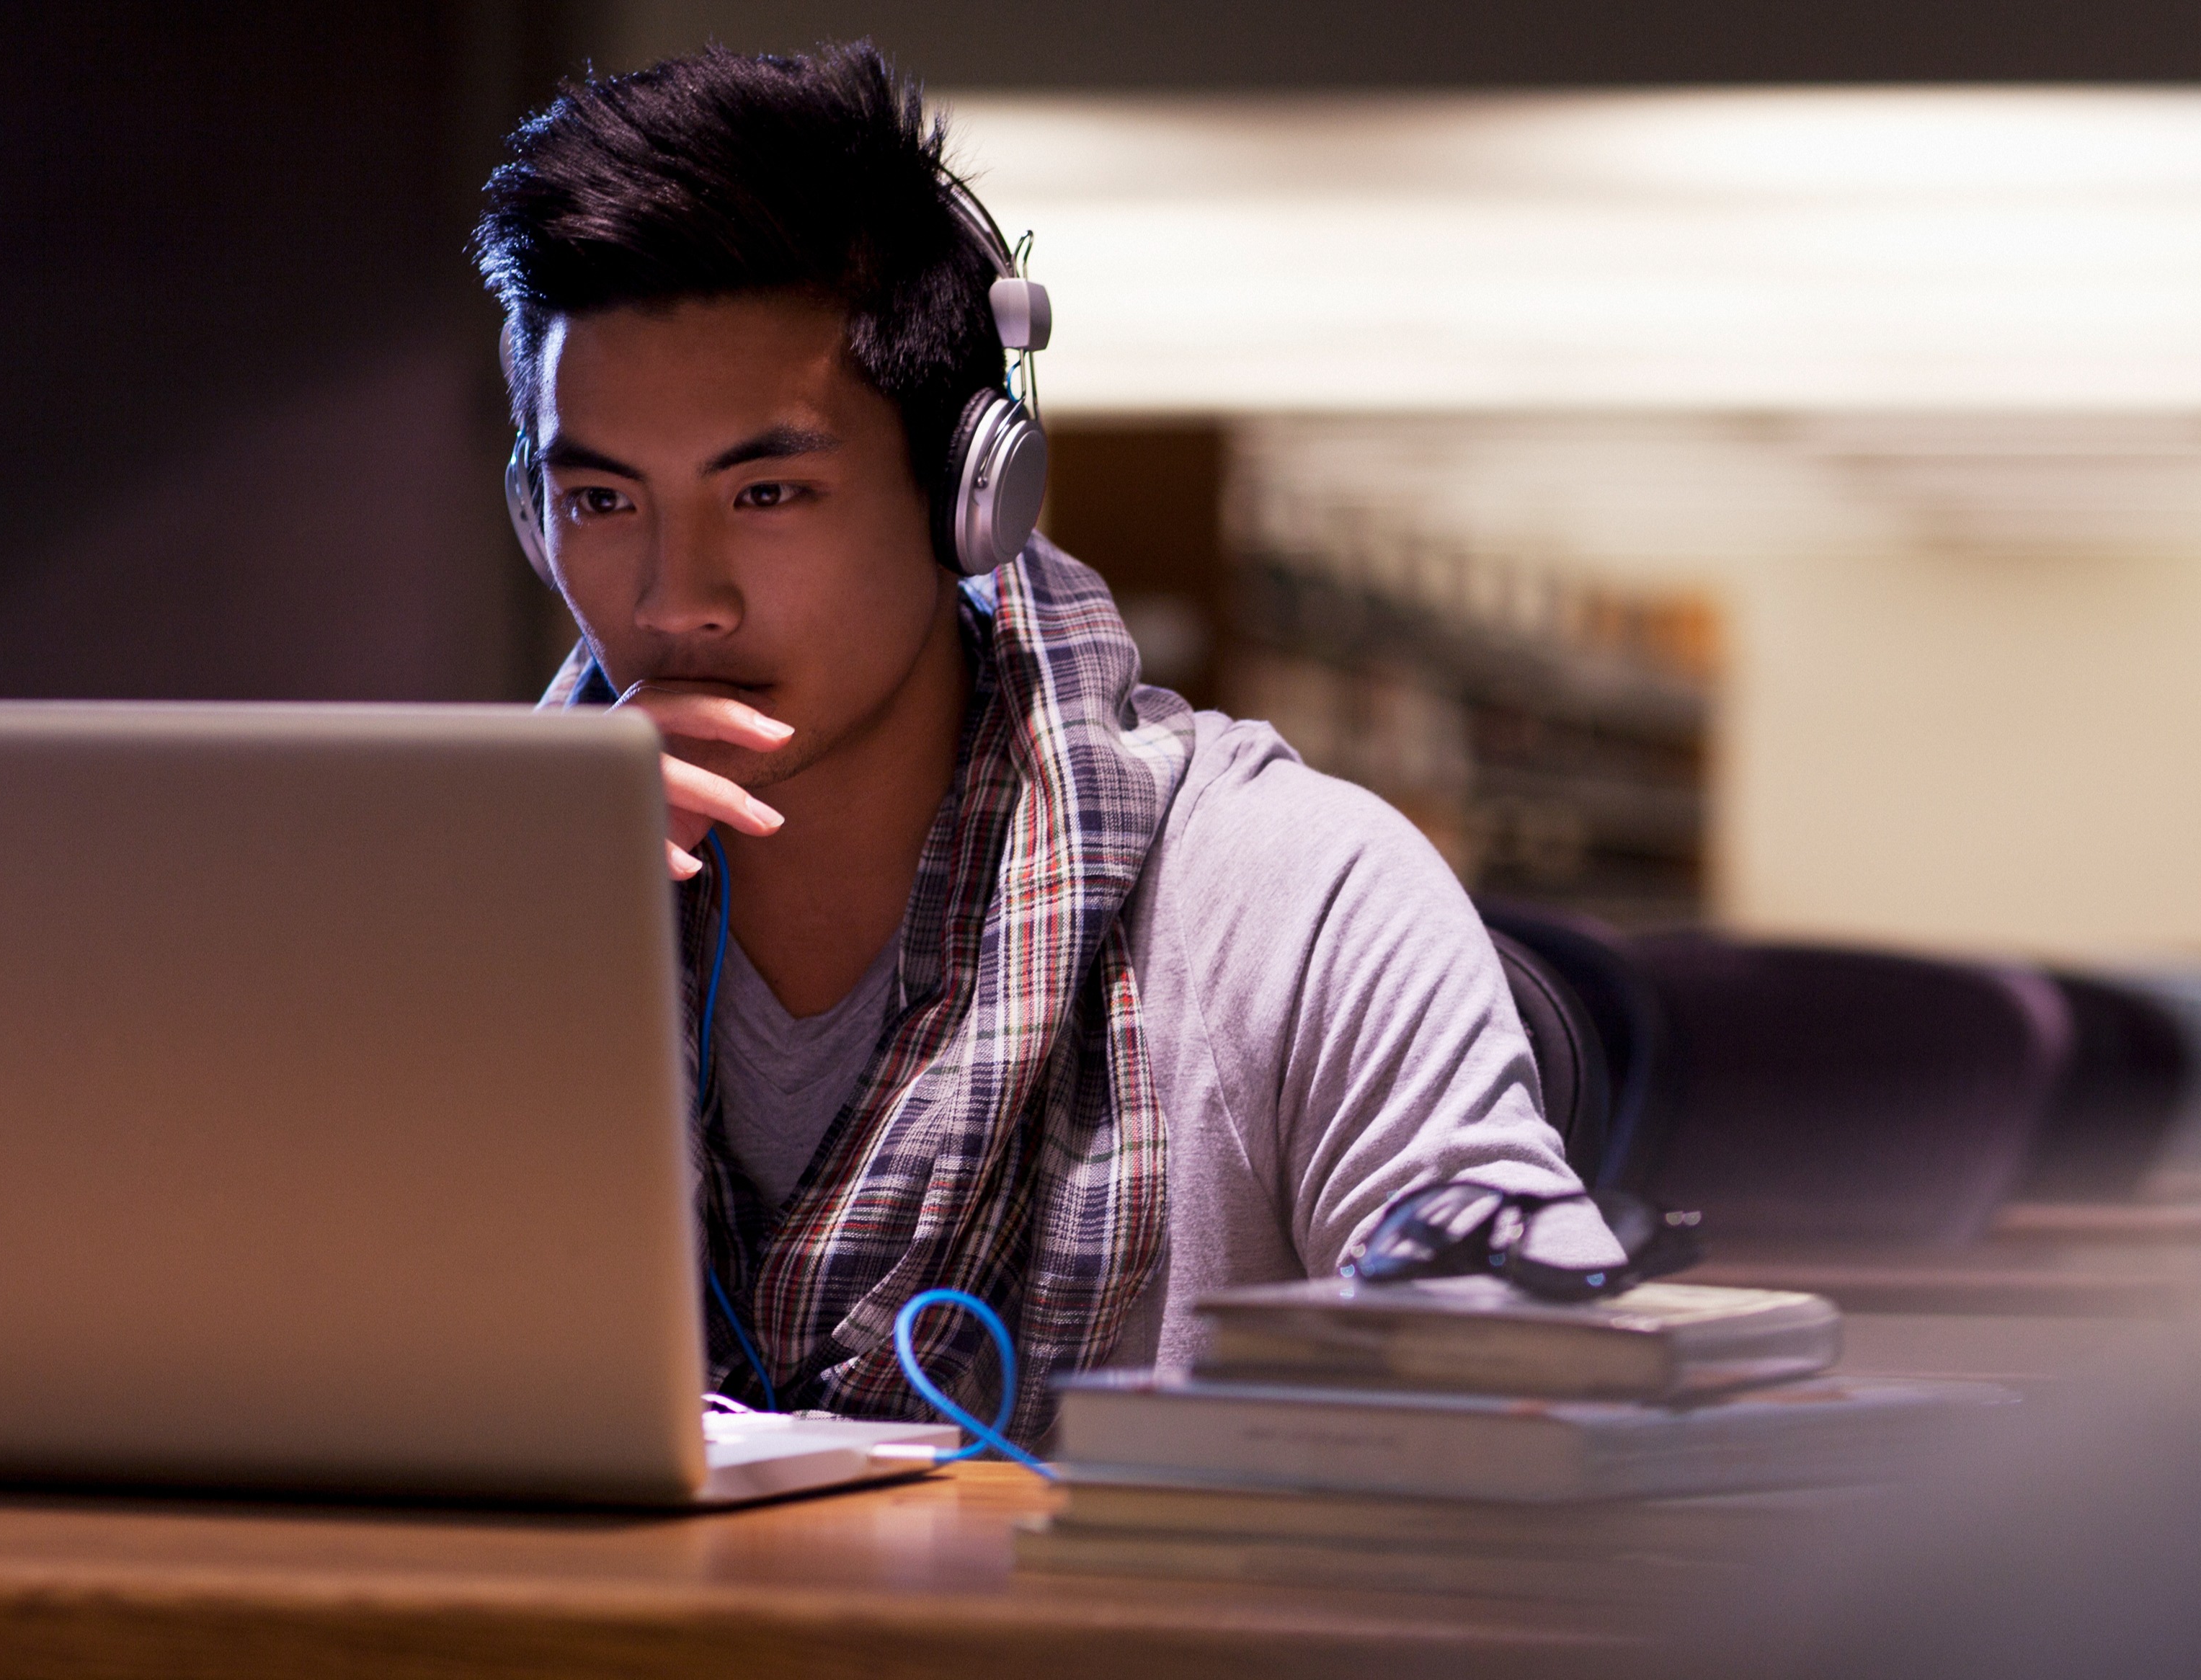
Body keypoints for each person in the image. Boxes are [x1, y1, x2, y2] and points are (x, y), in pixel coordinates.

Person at [471, 43, 1588, 1433]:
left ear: (969, 498)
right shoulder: (474, 909)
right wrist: (502, 962)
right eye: (602, 503)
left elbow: (1544, 1404)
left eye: (768, 494)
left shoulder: (1293, 900)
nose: (674, 600)